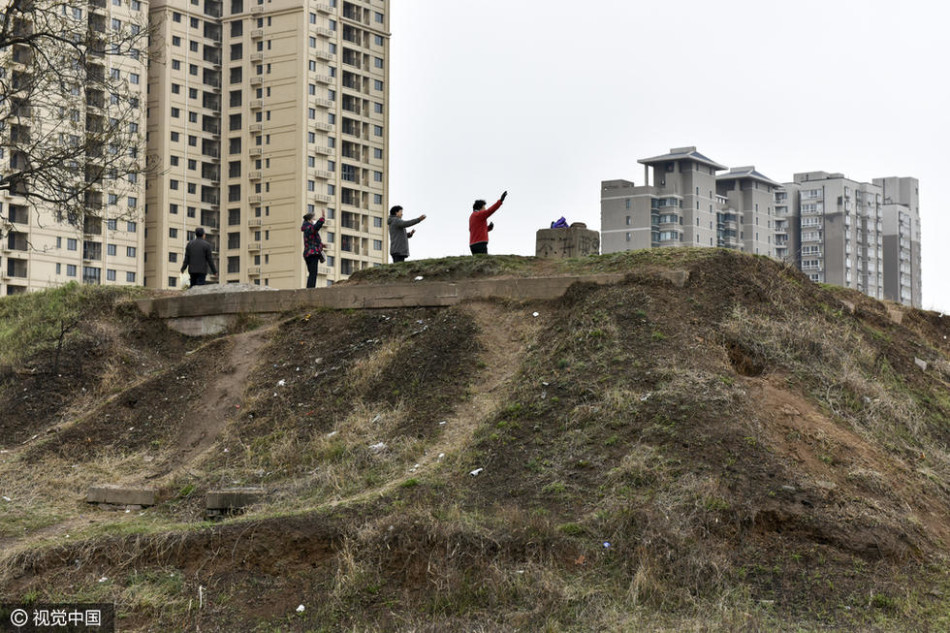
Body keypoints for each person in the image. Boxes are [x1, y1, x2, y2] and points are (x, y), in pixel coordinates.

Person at [469, 190, 507, 255]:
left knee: (477, 263)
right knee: (483, 262)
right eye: (484, 207)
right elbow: (490, 210)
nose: (485, 209)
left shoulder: (472, 216)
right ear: (480, 208)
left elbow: (475, 229)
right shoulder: (479, 214)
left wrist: (489, 228)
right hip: (480, 244)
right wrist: (500, 201)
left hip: (473, 245)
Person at [301, 212, 326, 288]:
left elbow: (312, 241)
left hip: (308, 253)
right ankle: (310, 289)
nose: (314, 220)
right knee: (313, 273)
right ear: (309, 220)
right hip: (312, 253)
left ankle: (310, 288)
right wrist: (322, 219)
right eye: (313, 219)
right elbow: (316, 227)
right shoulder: (309, 228)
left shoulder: (306, 229)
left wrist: (322, 245)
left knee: (312, 272)